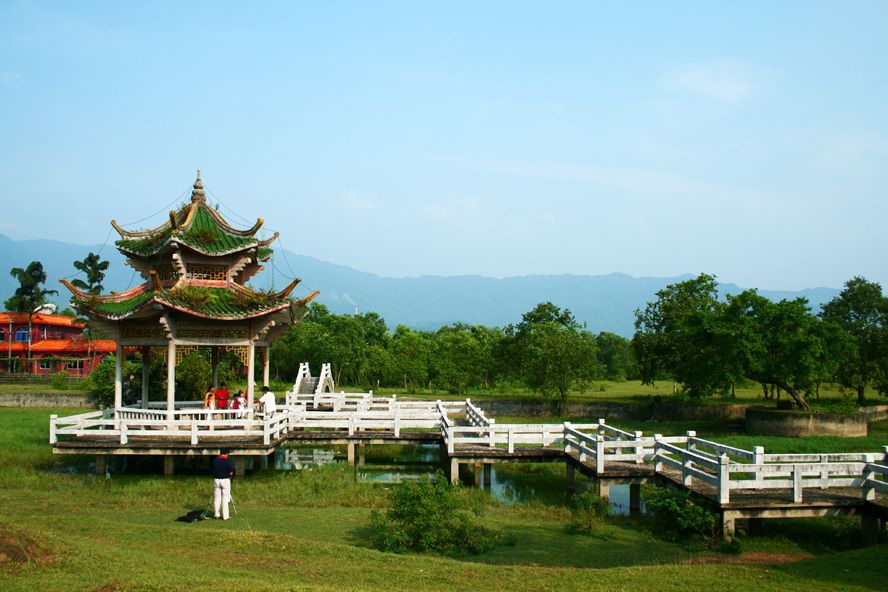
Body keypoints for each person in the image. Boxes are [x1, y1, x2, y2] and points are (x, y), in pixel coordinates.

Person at [212, 449, 235, 520]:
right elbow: (231, 473)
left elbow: (213, 471)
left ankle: (216, 514)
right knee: (225, 498)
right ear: (227, 453)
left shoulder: (215, 461)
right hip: (225, 480)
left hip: (216, 480)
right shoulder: (228, 461)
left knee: (217, 498)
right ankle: (225, 516)